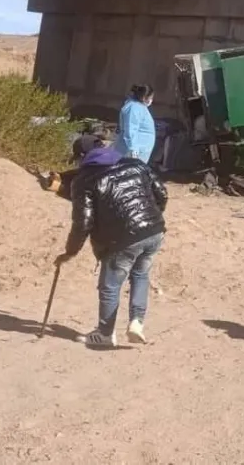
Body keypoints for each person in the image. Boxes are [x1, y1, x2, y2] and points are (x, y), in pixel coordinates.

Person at [55, 145, 168, 348]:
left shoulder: (84, 180)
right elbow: (162, 193)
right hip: (154, 232)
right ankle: (137, 322)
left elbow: (83, 222)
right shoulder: (136, 164)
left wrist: (70, 252)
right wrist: (152, 218)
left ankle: (105, 334)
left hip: (122, 240)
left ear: (84, 158)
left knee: (110, 286)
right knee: (140, 276)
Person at [116, 84, 156, 163]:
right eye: (151, 97)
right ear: (144, 97)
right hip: (132, 153)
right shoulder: (134, 108)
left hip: (138, 153)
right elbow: (130, 129)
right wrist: (133, 149)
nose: (151, 100)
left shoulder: (139, 107)